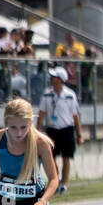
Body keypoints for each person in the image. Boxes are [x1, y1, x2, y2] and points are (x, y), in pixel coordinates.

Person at [36, 66, 85, 194]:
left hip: (67, 129)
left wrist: (79, 134)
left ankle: (64, 184)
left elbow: (75, 116)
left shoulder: (69, 95)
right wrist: (38, 130)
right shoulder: (47, 94)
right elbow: (41, 114)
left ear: (61, 80)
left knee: (66, 157)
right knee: (52, 158)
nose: (52, 80)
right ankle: (55, 181)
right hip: (52, 130)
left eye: (55, 78)